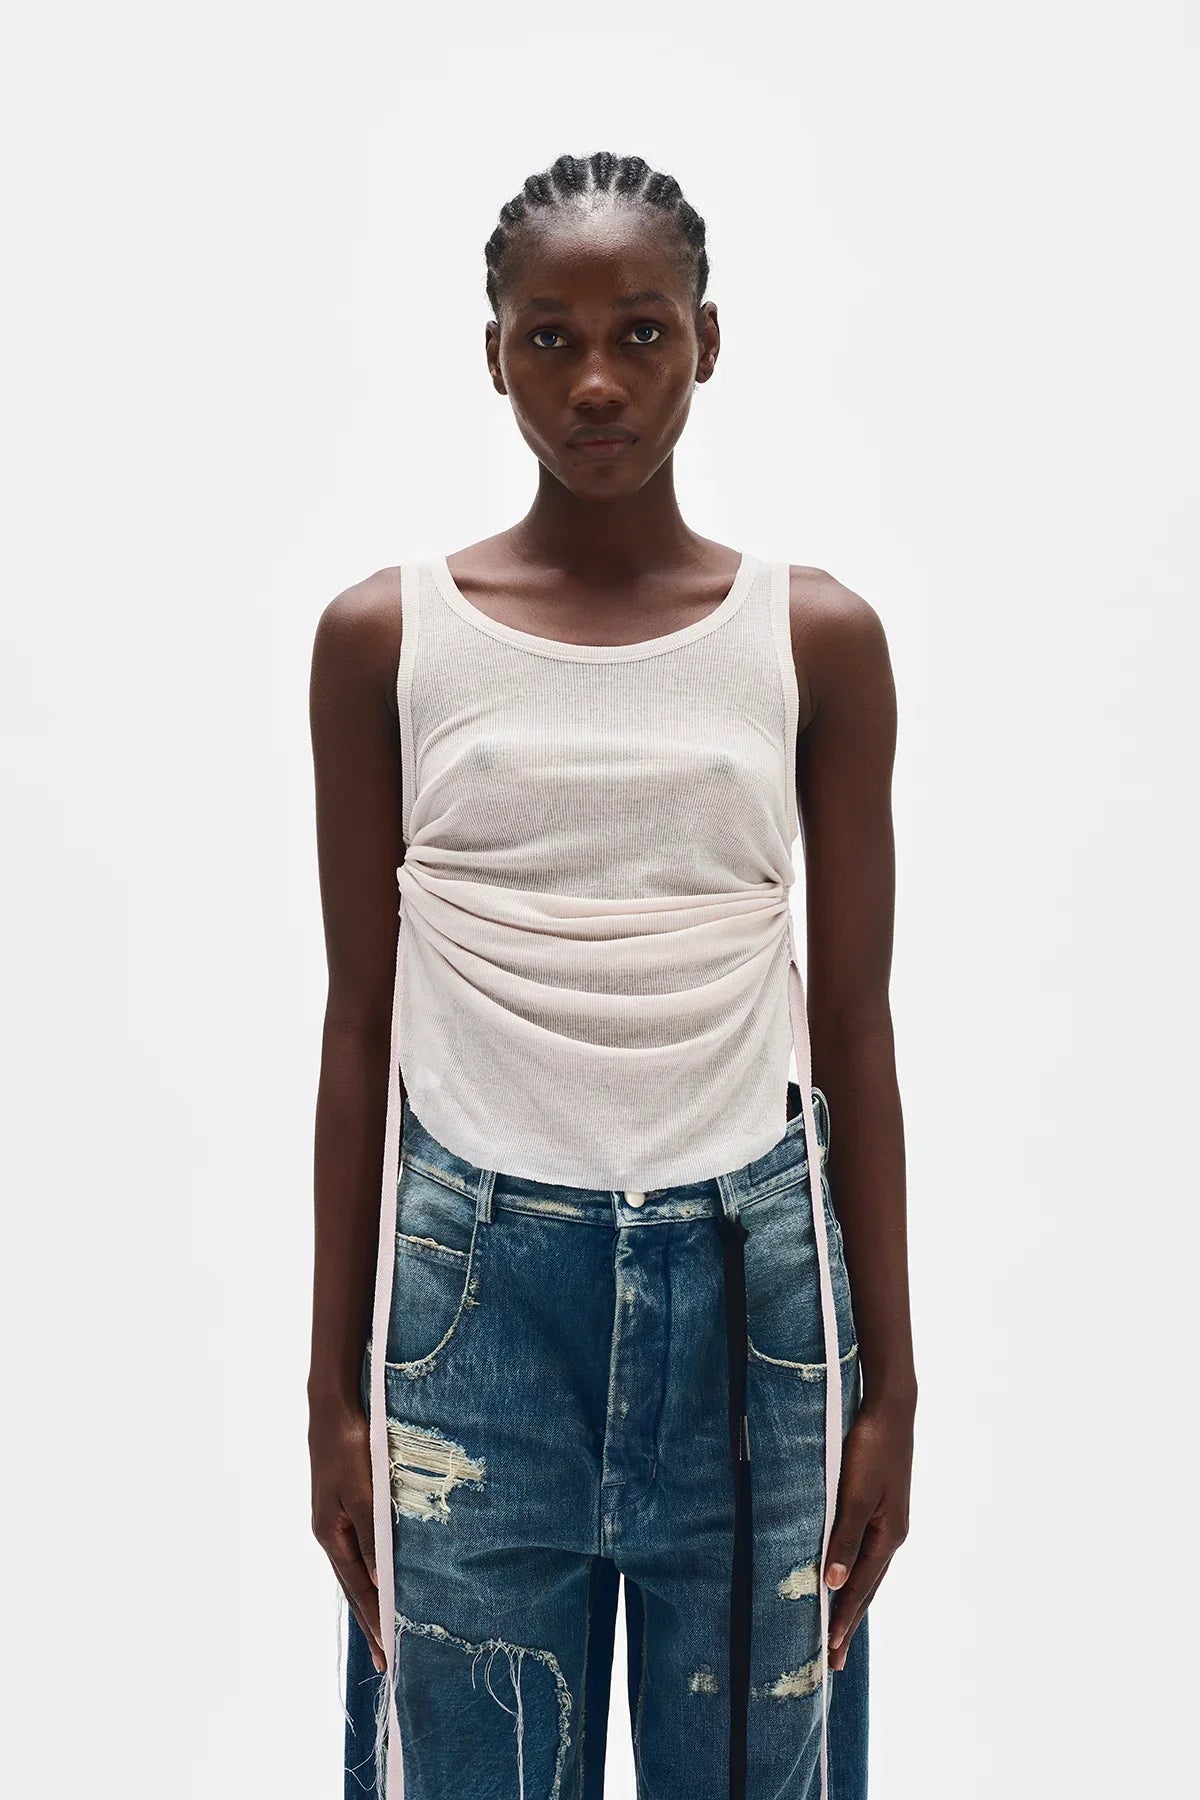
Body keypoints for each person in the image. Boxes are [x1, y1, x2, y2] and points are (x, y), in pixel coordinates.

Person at [307, 150, 916, 1800]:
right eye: (551, 337)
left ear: (707, 342)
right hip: (470, 1299)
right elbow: (358, 1024)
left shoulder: (812, 638)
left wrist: (891, 1389)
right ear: (492, 353)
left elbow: (853, 1024)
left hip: (755, 1299)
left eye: (641, 333)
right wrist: (332, 1397)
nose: (596, 382)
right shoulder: (387, 640)